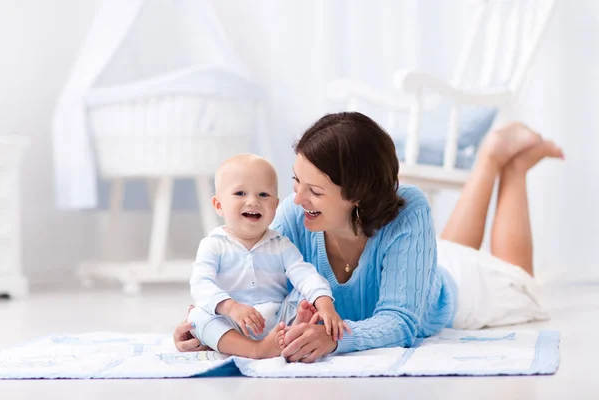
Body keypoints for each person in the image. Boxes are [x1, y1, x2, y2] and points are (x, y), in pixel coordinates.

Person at [174, 113, 564, 363]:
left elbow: (401, 320)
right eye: (296, 182)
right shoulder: (296, 213)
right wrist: (210, 325)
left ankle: (510, 163)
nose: (296, 198)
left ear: (357, 193)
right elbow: (253, 280)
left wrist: (334, 339)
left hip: (460, 294)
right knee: (446, 247)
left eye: (315, 190)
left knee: (518, 277)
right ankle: (492, 157)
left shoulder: (408, 208)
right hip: (422, 261)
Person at [187, 154, 349, 359]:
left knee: (306, 295)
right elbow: (201, 284)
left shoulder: (280, 244)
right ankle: (254, 349)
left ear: (275, 205)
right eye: (240, 193)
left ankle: (294, 330)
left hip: (278, 319)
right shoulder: (213, 244)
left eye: (263, 194)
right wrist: (231, 307)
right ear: (219, 205)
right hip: (232, 322)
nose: (253, 201)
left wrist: (324, 304)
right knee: (196, 316)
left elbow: (305, 274)